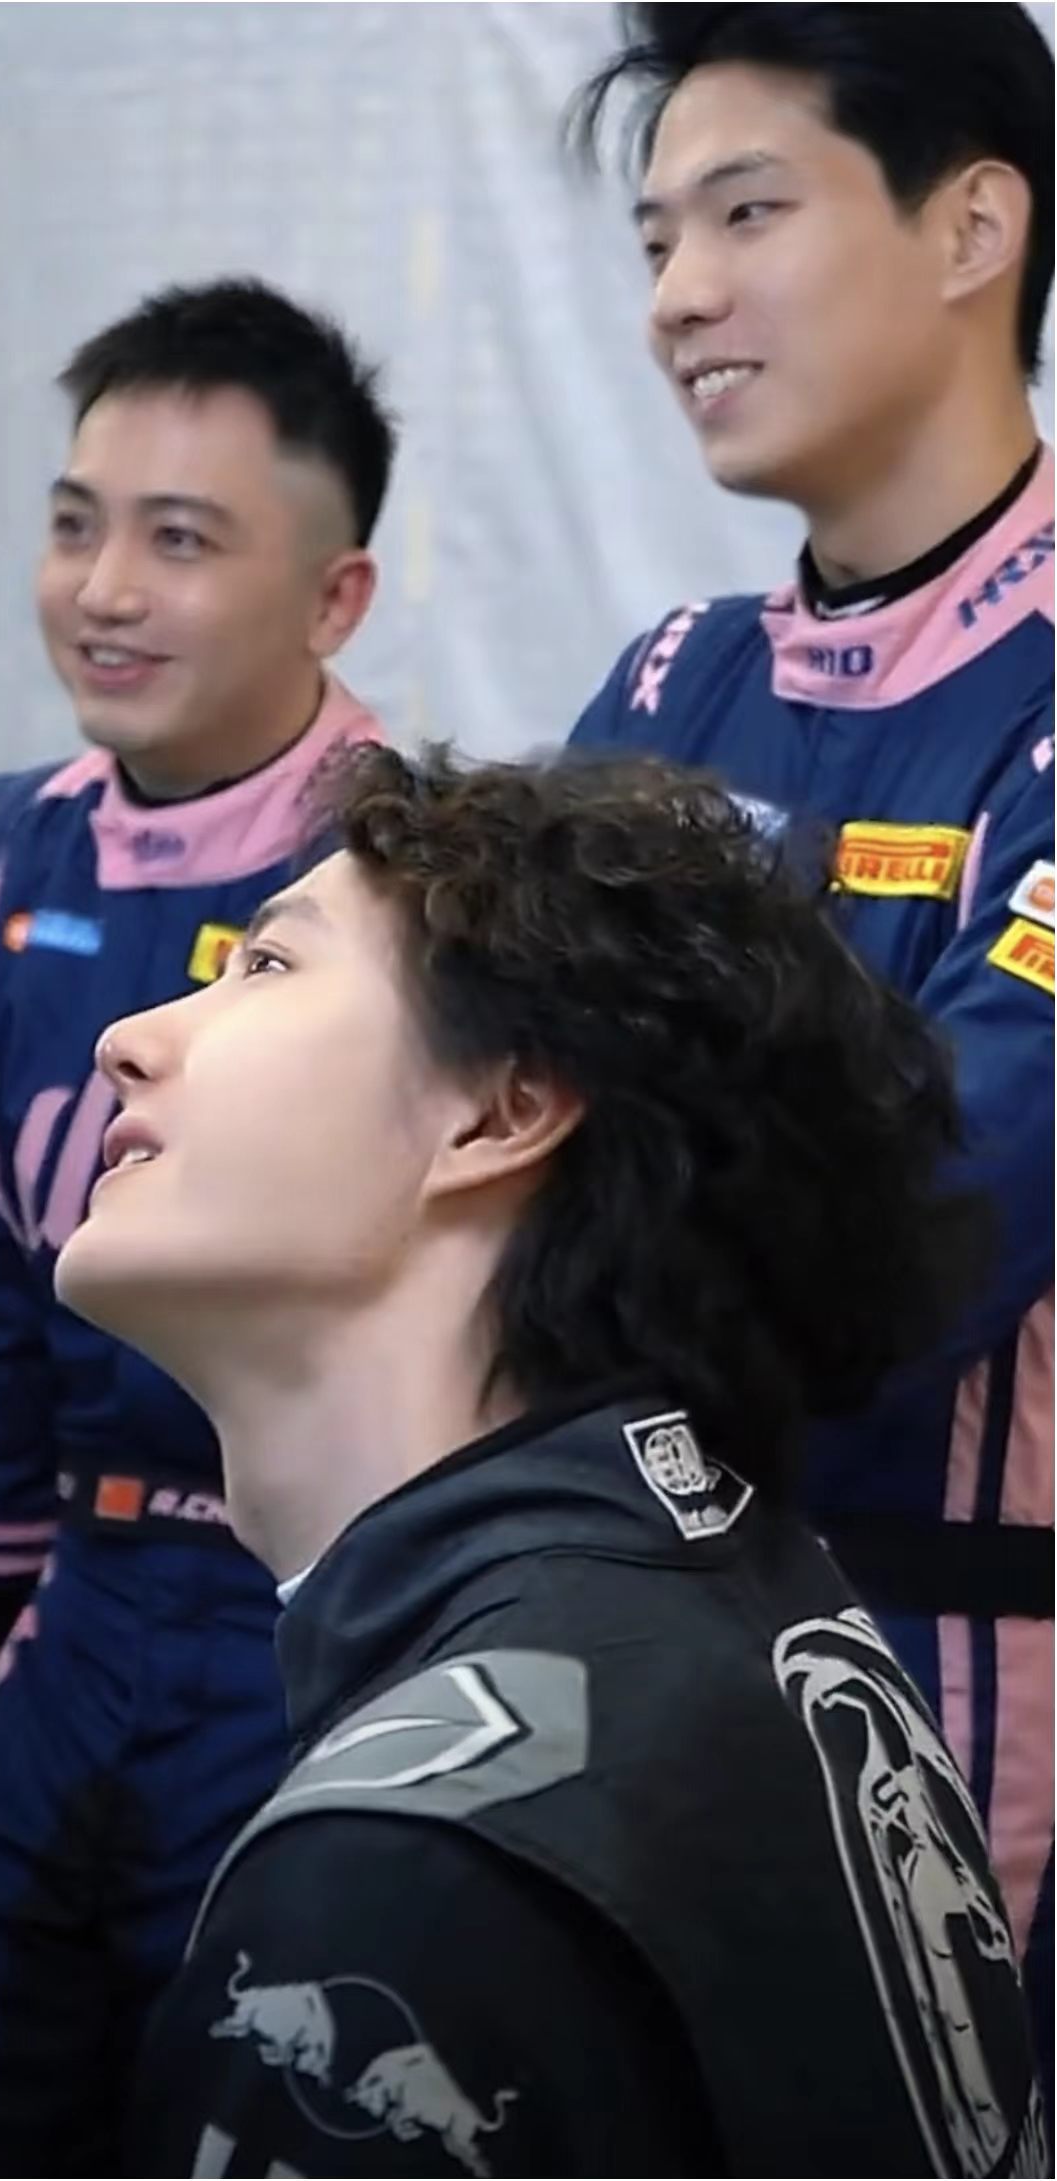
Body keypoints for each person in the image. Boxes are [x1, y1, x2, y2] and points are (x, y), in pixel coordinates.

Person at [52, 743, 1043, 2179]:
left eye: (265, 966)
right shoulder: (783, 1625)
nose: (130, 1038)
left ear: (500, 1112)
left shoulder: (398, 1878)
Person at [0, 277, 394, 2178]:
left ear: (335, 597)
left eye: (180, 540)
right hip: (78, 1606)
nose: (103, 589)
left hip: (315, 1621)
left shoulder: (419, 876)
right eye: (76, 523)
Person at [567, 0, 1055, 2086]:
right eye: (655, 237)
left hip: (951, 1662)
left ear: (970, 228)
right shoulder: (670, 683)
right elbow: (462, 1104)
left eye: (745, 213)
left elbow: (924, 1224)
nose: (678, 294)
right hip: (633, 1622)